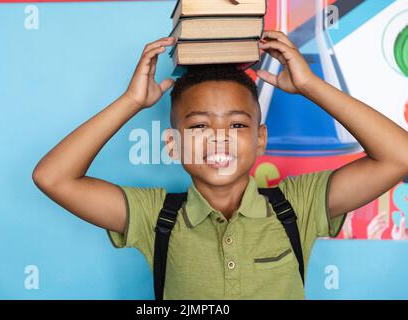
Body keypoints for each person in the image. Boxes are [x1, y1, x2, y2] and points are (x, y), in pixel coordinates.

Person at [32, 31, 408, 299]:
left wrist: (311, 84)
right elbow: (52, 177)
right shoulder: (155, 216)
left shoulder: (298, 205)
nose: (219, 138)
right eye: (198, 126)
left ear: (260, 139)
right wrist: (131, 101)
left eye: (237, 124)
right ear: (172, 144)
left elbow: (399, 156)